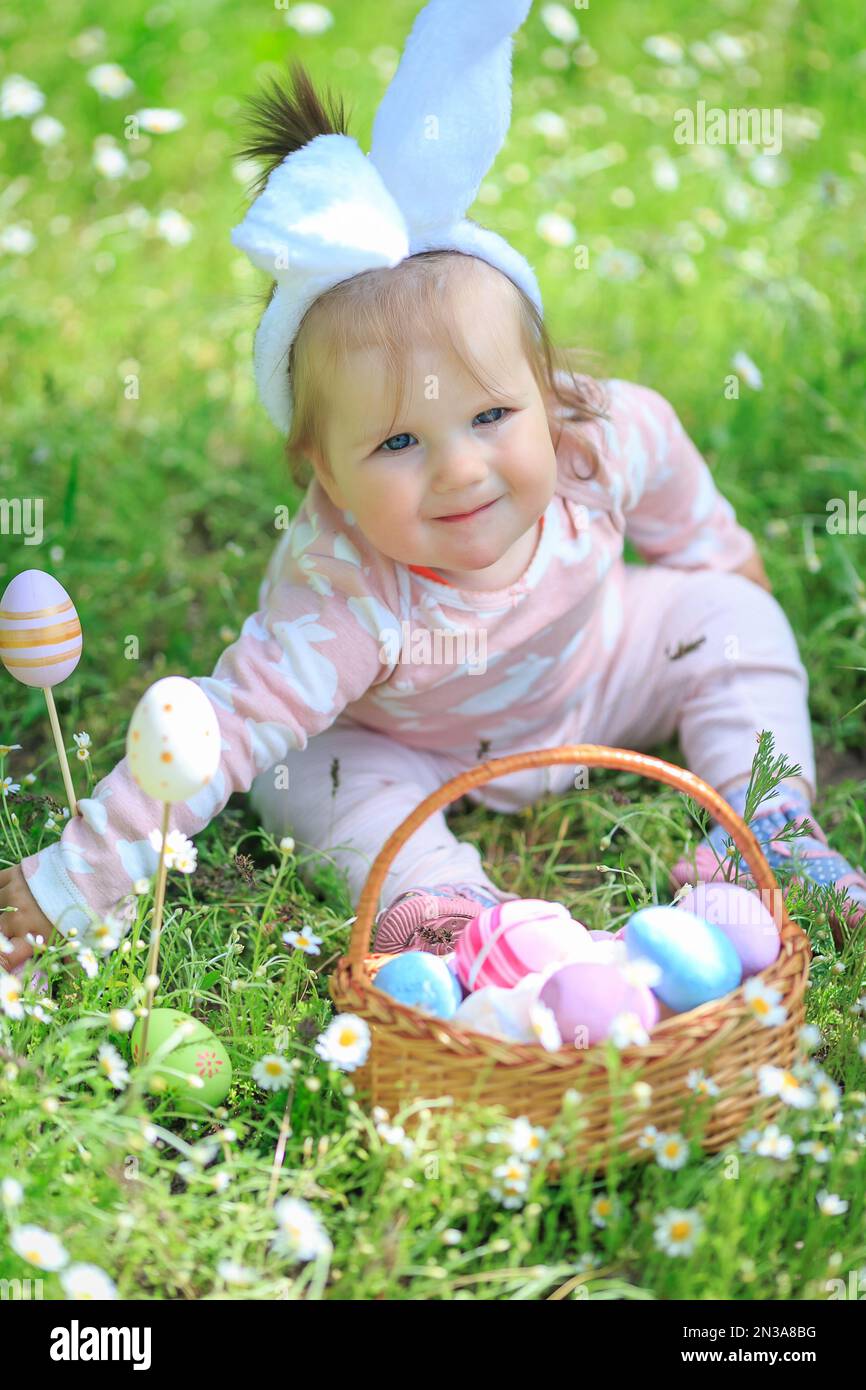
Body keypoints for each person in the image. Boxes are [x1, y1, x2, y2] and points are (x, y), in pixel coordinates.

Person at [2, 0, 864, 976]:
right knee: (300, 772)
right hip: (403, 742)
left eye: (492, 417)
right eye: (399, 440)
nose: (458, 467)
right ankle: (453, 909)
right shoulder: (344, 593)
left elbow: (691, 523)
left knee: (726, 617)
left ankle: (770, 824)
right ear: (322, 473)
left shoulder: (604, 437)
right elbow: (219, 732)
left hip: (602, 669)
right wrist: (66, 882)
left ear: (550, 397)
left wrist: (728, 592)